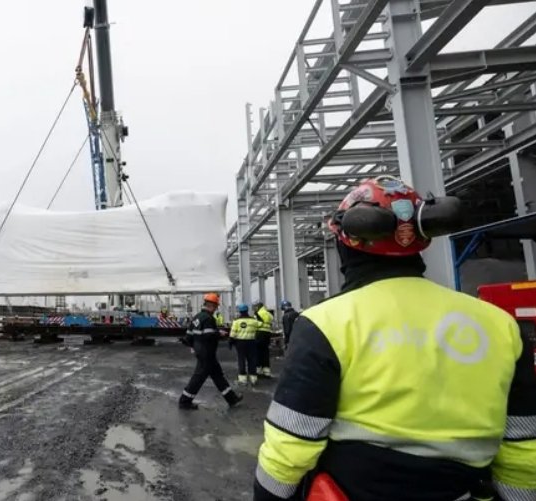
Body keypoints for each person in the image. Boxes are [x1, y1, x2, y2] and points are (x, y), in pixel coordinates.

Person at [254, 176, 536, 501]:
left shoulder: (326, 323)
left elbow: (289, 447)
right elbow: (522, 450)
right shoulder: (501, 326)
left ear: (347, 243)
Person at [179, 293, 243, 410]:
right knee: (198, 377)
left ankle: (232, 399)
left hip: (203, 352)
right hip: (206, 353)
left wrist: (192, 346)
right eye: (216, 307)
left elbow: (188, 336)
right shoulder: (209, 318)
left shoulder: (197, 317)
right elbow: (208, 335)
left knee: (218, 376)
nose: (216, 309)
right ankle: (184, 401)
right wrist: (219, 333)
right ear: (211, 306)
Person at [230, 303, 262, 386]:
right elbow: (261, 323)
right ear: (247, 310)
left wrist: (230, 342)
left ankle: (243, 379)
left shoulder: (236, 321)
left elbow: (232, 334)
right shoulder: (253, 321)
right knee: (252, 360)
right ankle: (253, 379)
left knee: (241, 360)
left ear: (239, 311)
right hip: (251, 342)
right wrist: (257, 314)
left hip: (240, 343)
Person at [253, 299, 275, 378]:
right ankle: (267, 371)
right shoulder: (268, 313)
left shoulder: (258, 314)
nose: (254, 308)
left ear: (258, 306)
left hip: (259, 334)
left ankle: (258, 370)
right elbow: (271, 320)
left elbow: (256, 324)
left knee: (258, 352)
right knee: (265, 352)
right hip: (267, 334)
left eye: (255, 307)